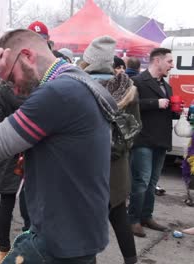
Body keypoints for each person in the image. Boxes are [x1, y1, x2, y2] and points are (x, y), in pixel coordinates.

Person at [0, 29, 112, 263]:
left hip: (60, 240)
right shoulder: (78, 80)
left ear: (27, 55)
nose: (14, 89)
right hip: (79, 233)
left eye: (10, 78)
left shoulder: (58, 93)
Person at [81, 36, 139, 264]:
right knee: (119, 215)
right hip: (117, 167)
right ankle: (131, 260)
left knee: (87, 222)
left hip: (88, 166)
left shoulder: (81, 86)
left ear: (89, 61)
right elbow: (134, 130)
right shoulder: (129, 89)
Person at [128, 48, 175, 237]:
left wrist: (177, 111)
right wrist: (155, 103)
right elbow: (129, 105)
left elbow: (166, 109)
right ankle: (133, 220)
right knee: (141, 181)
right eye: (170, 61)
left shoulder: (166, 85)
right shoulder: (137, 81)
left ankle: (147, 216)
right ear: (157, 61)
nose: (172, 65)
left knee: (153, 181)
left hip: (161, 140)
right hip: (143, 139)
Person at [0, 82, 31, 263]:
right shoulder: (36, 89)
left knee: (6, 202)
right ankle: (30, 248)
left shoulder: (1, 92)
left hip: (8, 148)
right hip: (32, 149)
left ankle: (3, 250)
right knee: (31, 202)